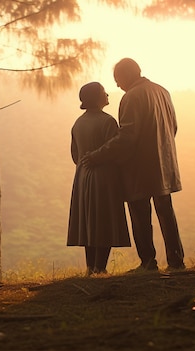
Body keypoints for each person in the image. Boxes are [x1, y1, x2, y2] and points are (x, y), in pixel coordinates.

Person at [81, 58, 185, 271]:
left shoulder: (132, 97)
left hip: (140, 167)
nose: (117, 85)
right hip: (164, 163)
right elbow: (173, 127)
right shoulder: (162, 91)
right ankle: (176, 260)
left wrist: (97, 155)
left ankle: (148, 262)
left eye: (118, 79)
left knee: (140, 215)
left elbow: (127, 137)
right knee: (166, 212)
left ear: (127, 75)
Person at [67, 81, 131, 275]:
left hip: (82, 176)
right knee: (104, 219)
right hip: (104, 177)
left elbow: (75, 155)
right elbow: (118, 151)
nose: (108, 95)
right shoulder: (108, 122)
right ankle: (100, 267)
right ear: (96, 98)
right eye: (104, 92)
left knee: (88, 221)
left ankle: (90, 267)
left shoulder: (78, 123)